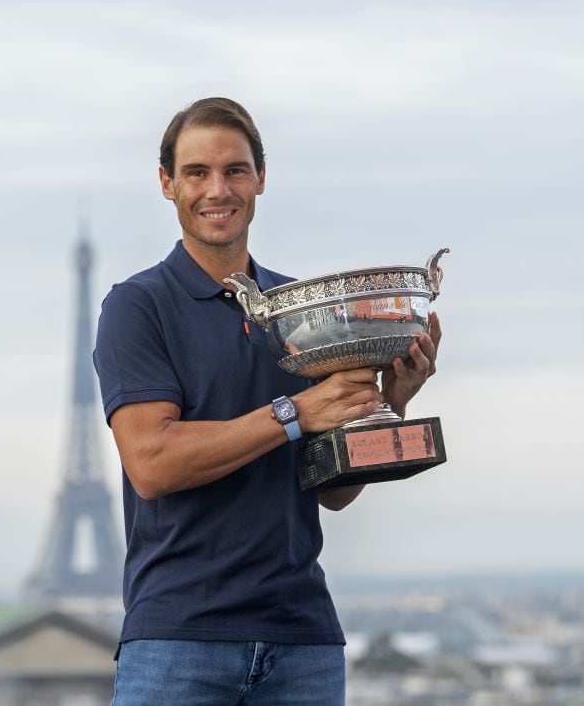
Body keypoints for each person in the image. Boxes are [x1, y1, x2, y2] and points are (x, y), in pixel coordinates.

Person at [93, 97, 441, 705]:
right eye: (197, 172)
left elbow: (332, 492)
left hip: (302, 640)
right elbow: (152, 465)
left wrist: (388, 402)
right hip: (181, 642)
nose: (217, 189)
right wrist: (297, 412)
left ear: (260, 179)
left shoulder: (305, 311)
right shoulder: (138, 307)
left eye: (235, 170)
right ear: (167, 184)